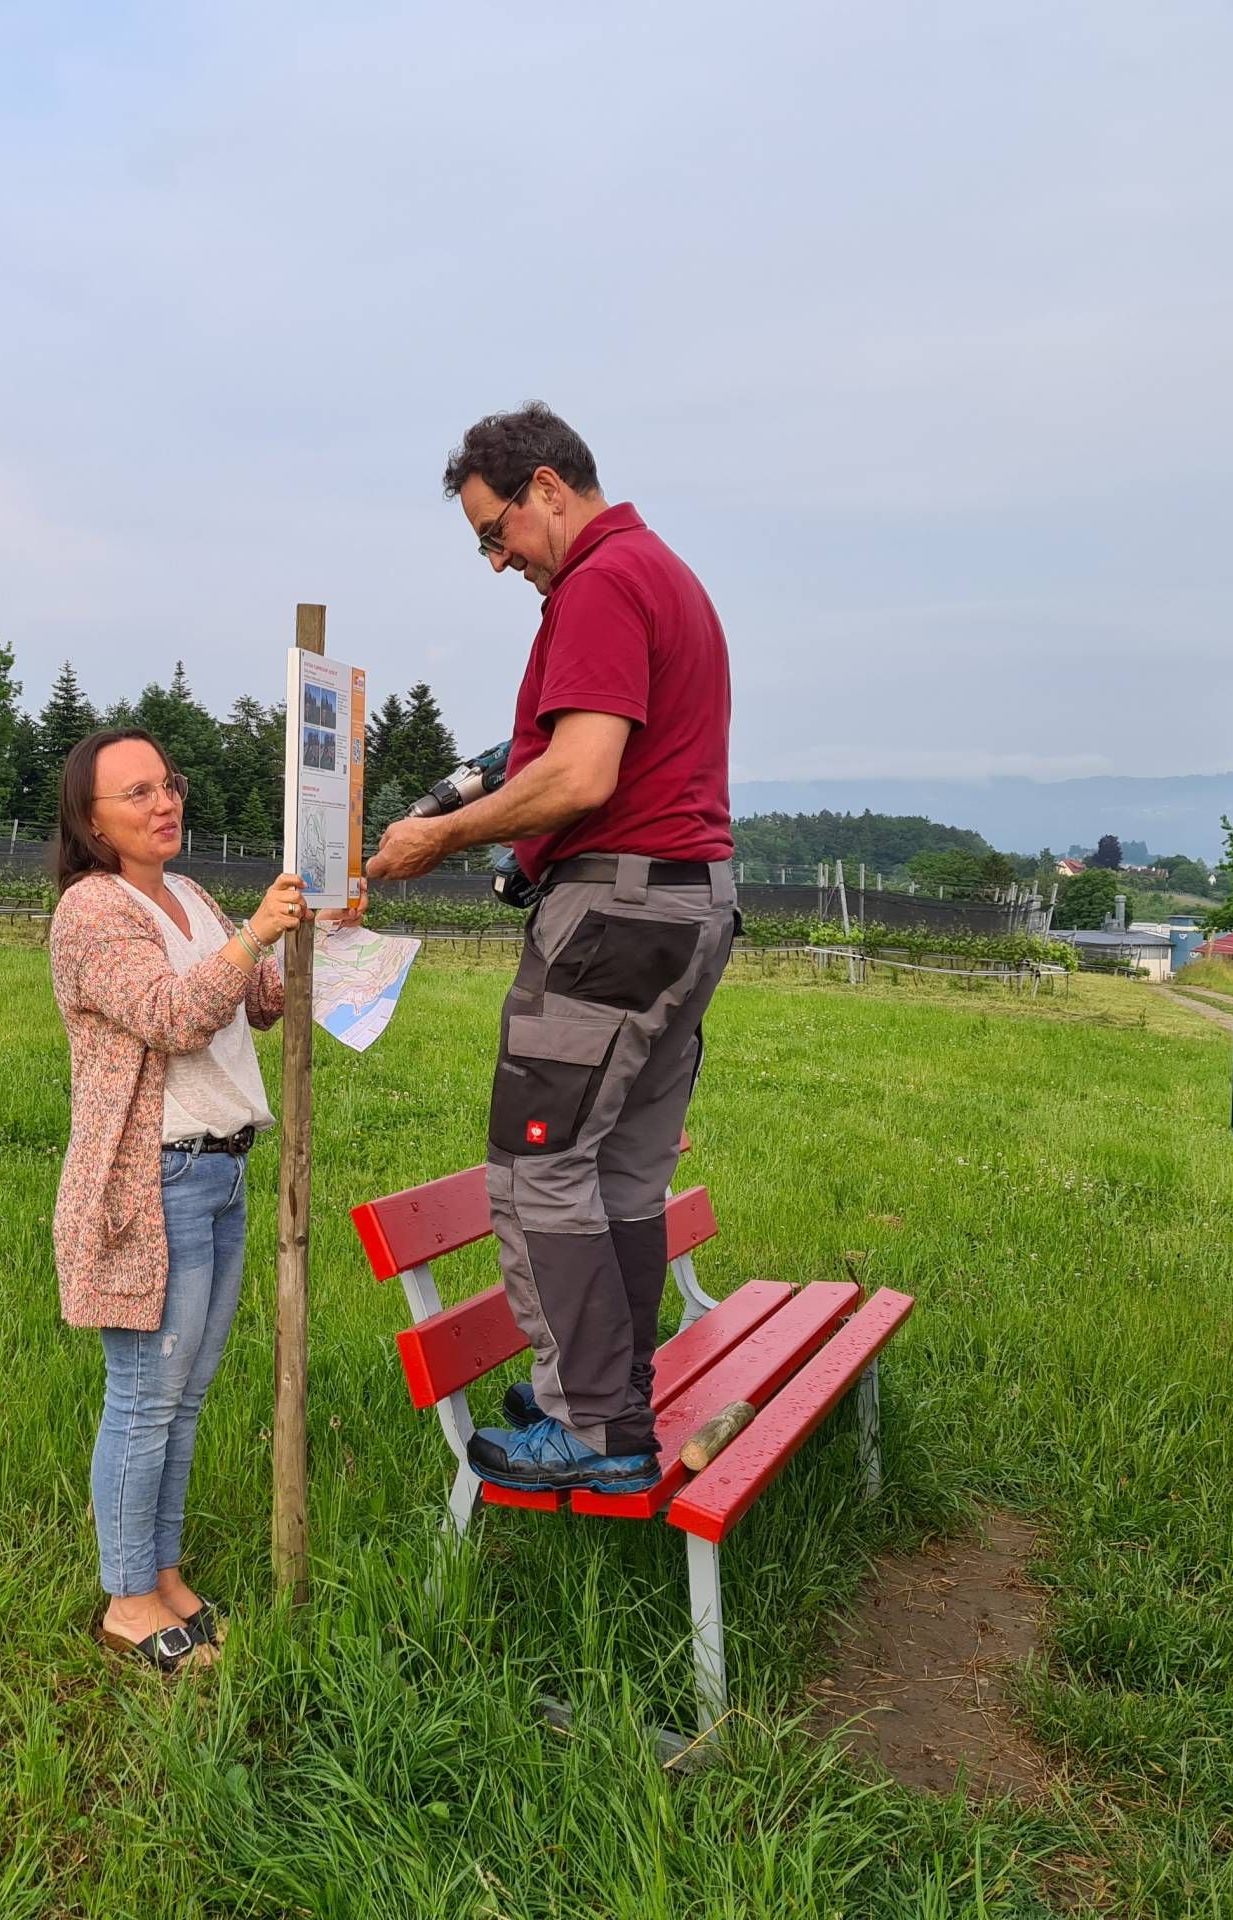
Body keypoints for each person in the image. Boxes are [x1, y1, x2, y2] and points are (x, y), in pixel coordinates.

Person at [366, 402, 736, 1496]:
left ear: (544, 488)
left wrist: (440, 834)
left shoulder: (600, 582)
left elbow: (581, 777)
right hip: (685, 909)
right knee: (619, 1173)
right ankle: (608, 1393)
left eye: (495, 533)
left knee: (534, 1169)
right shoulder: (659, 572)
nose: (496, 561)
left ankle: (588, 1427)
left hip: (617, 916)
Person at [49, 727, 308, 1672]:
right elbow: (170, 1012)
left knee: (186, 1395)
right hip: (152, 1178)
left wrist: (311, 930)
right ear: (91, 818)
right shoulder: (92, 911)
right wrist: (253, 939)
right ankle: (126, 1601)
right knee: (146, 1395)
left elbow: (253, 996)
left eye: (170, 783)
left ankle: (161, 1574)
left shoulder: (189, 896)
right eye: (138, 792)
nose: (166, 803)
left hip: (223, 1169)